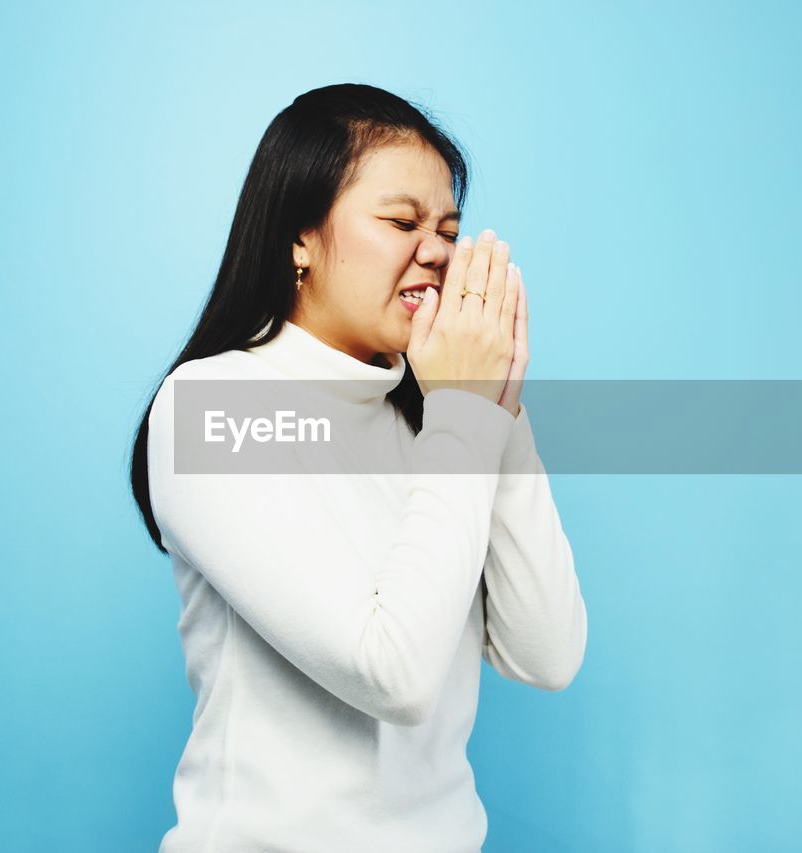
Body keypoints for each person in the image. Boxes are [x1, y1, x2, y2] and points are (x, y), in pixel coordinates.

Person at [129, 83, 587, 853]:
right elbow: (393, 675)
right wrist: (466, 418)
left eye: (448, 227)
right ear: (299, 237)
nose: (437, 249)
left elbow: (548, 653)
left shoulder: (441, 418)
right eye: (402, 221)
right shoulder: (212, 406)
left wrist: (496, 404)